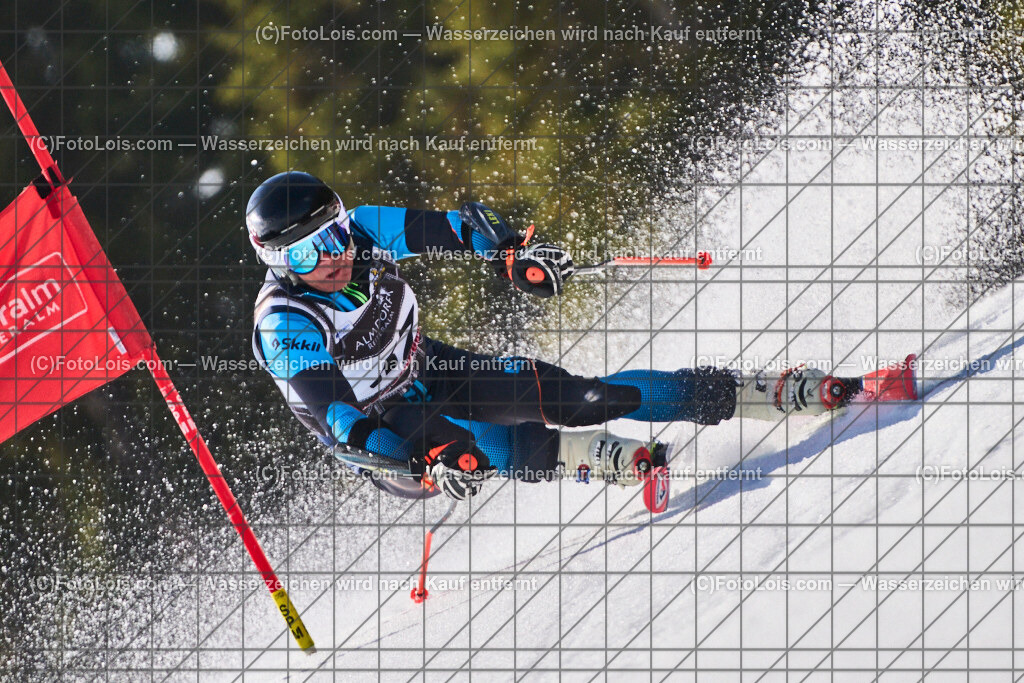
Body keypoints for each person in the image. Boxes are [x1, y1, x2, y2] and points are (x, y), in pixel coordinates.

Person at [247, 172, 864, 502]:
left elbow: (461, 228)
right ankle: (601, 461)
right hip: (382, 428)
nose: (335, 256)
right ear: (279, 262)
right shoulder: (285, 323)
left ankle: (755, 392)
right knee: (475, 451)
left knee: (578, 396)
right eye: (310, 251)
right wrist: (415, 461)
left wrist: (510, 254)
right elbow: (340, 419)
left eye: (332, 234)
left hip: (425, 367)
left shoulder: (363, 233)